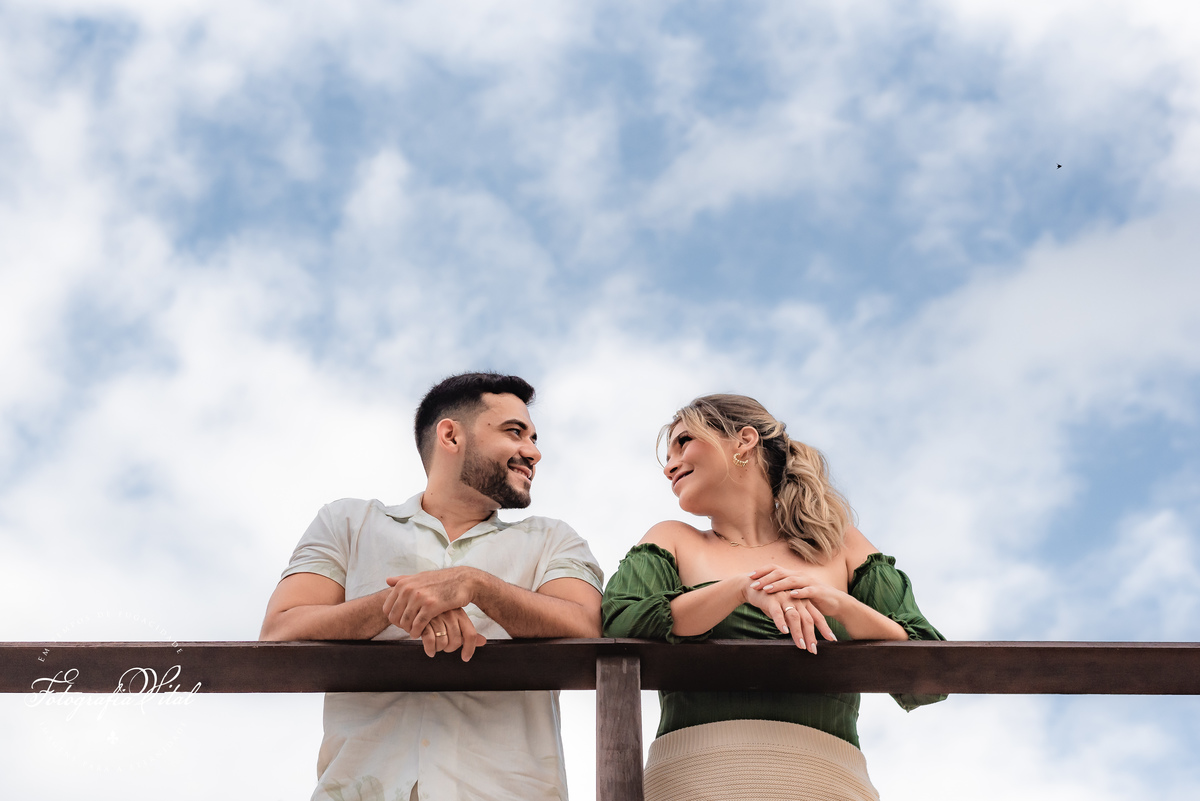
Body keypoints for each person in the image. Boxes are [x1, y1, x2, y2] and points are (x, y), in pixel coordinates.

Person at [260, 372, 604, 801]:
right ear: (450, 435)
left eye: (534, 438)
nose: (532, 452)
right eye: (515, 432)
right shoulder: (347, 523)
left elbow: (588, 624)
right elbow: (279, 631)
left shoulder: (554, 539)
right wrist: (401, 603)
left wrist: (474, 584)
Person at [602, 394, 945, 801]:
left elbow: (931, 678)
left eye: (683, 442)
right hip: (690, 783)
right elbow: (618, 623)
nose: (669, 465)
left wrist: (842, 606)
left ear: (743, 440)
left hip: (828, 785)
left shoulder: (841, 545)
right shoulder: (673, 539)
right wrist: (739, 589)